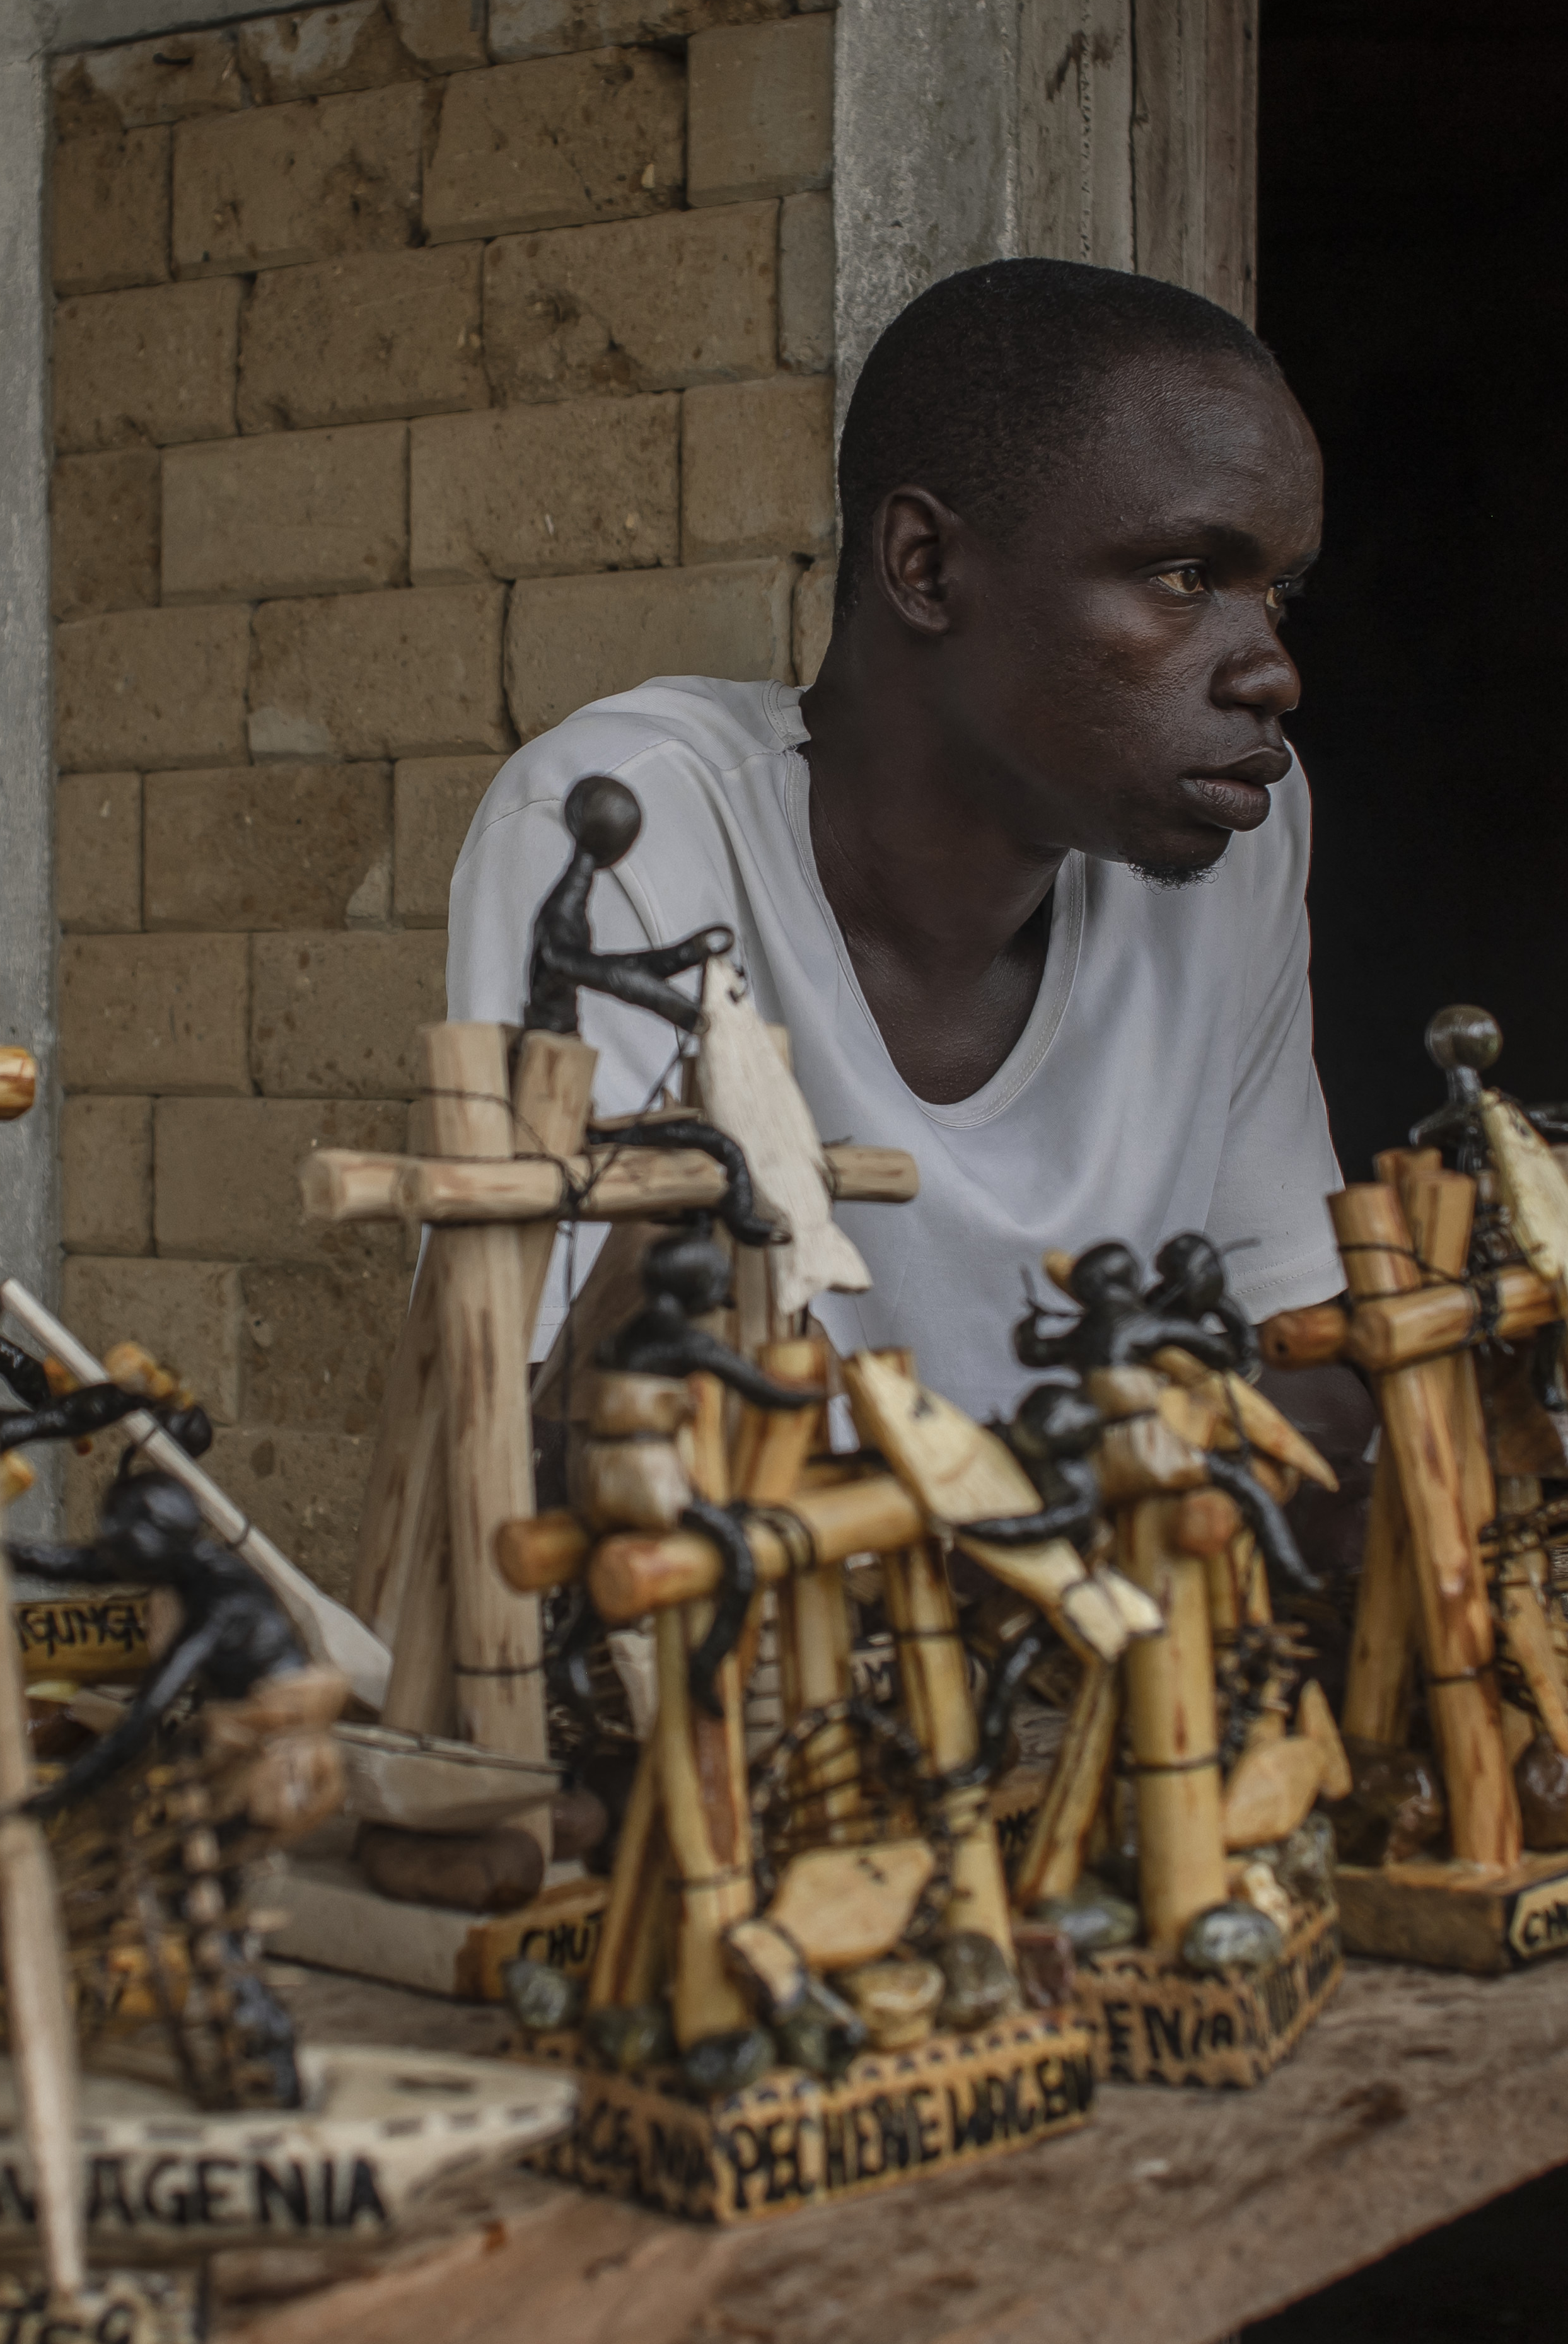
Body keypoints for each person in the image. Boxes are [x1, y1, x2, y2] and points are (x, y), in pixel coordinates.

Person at [444, 256, 1373, 1477]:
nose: (1270, 671)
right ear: (926, 565)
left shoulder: (1238, 840)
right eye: (1186, 577)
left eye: (1278, 593)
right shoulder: (630, 829)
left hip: (1084, 1654)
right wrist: (1096, 1499)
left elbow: (1306, 1367)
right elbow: (583, 1439)